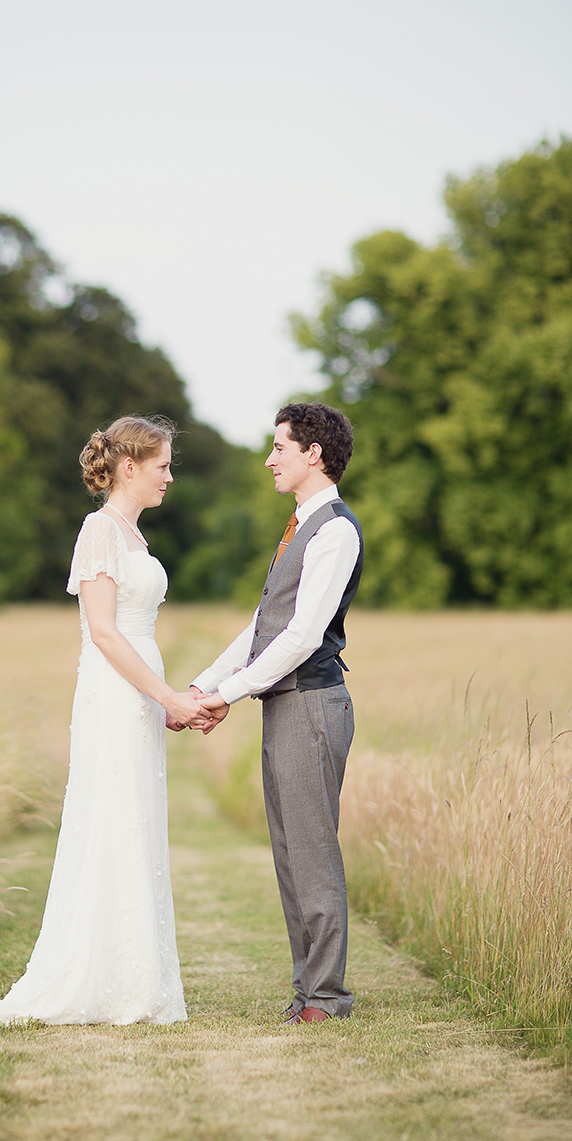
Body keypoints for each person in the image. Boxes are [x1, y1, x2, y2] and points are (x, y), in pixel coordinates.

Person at [0, 415, 209, 1028]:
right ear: (130, 467)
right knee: (112, 815)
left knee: (135, 817)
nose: (169, 477)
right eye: (162, 466)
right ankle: (104, 980)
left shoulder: (133, 535)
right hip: (115, 692)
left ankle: (134, 978)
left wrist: (163, 701)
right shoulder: (99, 530)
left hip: (138, 694)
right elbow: (104, 633)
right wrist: (166, 697)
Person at [193, 402, 362, 1024]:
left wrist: (228, 695)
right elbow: (263, 627)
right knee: (291, 855)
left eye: (280, 448)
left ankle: (327, 998)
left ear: (313, 454)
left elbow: (302, 637)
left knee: (312, 854)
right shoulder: (299, 525)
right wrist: (204, 685)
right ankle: (307, 991)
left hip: (312, 705)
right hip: (286, 706)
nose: (269, 460)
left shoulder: (335, 530)